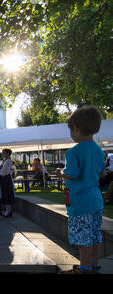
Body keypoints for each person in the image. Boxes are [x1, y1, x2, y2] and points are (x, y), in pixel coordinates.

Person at [56, 106, 105, 274]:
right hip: (96, 199)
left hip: (80, 201)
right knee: (95, 234)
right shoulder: (99, 150)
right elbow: (101, 171)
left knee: (83, 237)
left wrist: (60, 172)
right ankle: (94, 265)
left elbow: (72, 174)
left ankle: (84, 268)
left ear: (76, 128)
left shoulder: (73, 152)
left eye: (71, 130)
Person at [0, 148, 16, 218]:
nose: (2, 154)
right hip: (4, 178)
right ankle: (8, 210)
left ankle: (8, 211)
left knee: (7, 193)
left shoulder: (8, 161)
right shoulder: (4, 160)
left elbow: (4, 171)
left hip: (6, 178)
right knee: (5, 193)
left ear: (7, 153)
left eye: (4, 152)